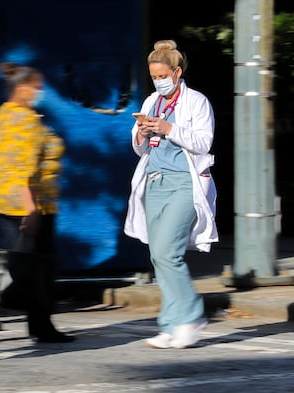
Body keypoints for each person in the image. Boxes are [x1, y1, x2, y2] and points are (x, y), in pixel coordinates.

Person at [0, 62, 74, 344]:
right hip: (25, 205)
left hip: (11, 201)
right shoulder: (23, 121)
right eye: (37, 87)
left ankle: (42, 325)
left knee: (38, 267)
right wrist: (31, 208)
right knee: (20, 270)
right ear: (22, 88)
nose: (40, 92)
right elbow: (20, 168)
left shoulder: (4, 115)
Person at [124, 39, 218, 349]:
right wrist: (141, 132)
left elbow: (203, 142)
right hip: (154, 181)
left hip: (185, 183)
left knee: (168, 253)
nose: (158, 81)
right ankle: (171, 323)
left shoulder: (197, 102)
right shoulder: (152, 101)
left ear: (176, 72)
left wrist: (168, 129)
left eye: (162, 75)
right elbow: (140, 149)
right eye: (153, 76)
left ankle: (191, 317)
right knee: (158, 255)